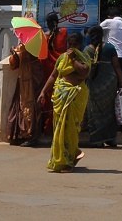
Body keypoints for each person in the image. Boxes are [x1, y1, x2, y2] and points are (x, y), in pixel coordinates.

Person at [41, 31, 91, 172]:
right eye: (70, 44)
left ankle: (69, 161)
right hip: (60, 96)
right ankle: (60, 160)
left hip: (74, 97)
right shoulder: (62, 58)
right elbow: (53, 75)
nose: (72, 47)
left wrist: (73, 59)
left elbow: (84, 72)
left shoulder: (83, 58)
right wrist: (43, 92)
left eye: (75, 44)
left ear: (80, 45)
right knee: (59, 129)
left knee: (70, 130)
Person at [80, 27, 122, 149]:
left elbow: (84, 69)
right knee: (109, 111)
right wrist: (121, 82)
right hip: (109, 83)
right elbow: (117, 66)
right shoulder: (110, 47)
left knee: (94, 111)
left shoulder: (87, 50)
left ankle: (97, 140)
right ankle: (111, 139)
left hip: (94, 84)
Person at [7, 39, 49, 146]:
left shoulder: (25, 47)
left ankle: (32, 136)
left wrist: (15, 52)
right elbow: (14, 64)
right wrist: (14, 53)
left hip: (31, 77)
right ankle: (24, 134)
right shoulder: (27, 46)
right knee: (24, 107)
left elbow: (14, 63)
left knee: (33, 107)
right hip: (25, 78)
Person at [100, 9, 122, 91]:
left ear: (109, 16)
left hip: (113, 59)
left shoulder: (108, 22)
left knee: (111, 88)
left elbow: (96, 30)